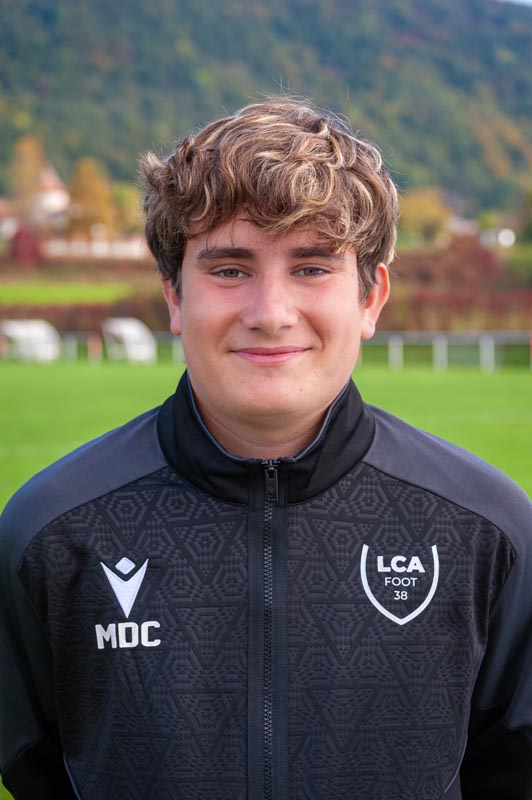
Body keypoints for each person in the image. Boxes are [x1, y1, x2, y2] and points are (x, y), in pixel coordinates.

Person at [1, 98, 531, 800]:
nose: (270, 313)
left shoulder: (490, 529)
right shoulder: (49, 532)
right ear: (174, 296)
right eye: (230, 270)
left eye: (311, 268)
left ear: (371, 298)